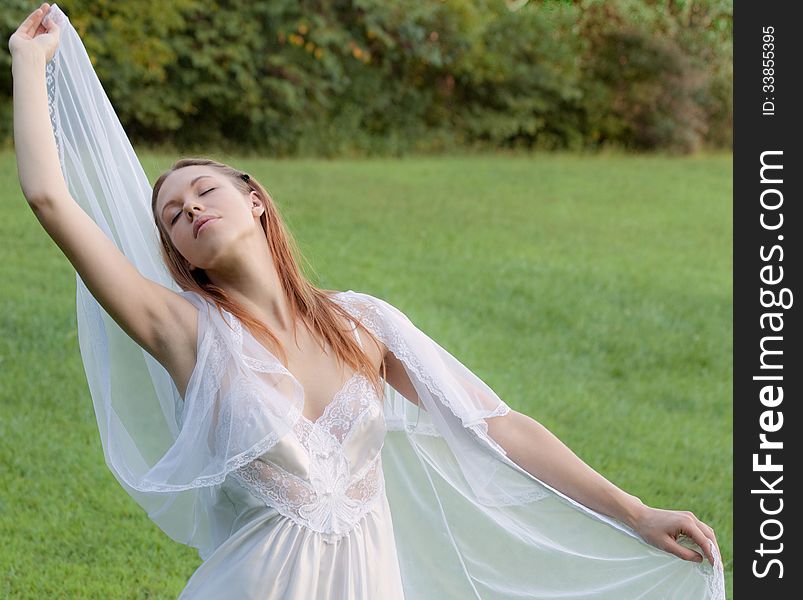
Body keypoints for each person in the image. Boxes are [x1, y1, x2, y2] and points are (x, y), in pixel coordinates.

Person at [10, 3, 726, 598]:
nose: (189, 209)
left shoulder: (364, 322)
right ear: (179, 259)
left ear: (255, 200)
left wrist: (635, 513)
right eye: (171, 216)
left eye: (205, 190)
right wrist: (30, 62)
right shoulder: (184, 332)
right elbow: (49, 197)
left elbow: (497, 426)